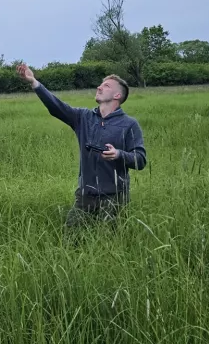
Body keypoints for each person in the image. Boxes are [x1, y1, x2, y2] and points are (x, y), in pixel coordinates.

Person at [16, 63, 147, 227]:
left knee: (110, 243)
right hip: (85, 196)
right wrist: (34, 82)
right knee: (71, 240)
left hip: (115, 197)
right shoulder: (83, 117)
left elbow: (140, 160)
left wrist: (119, 154)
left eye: (106, 86)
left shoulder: (129, 124)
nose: (99, 87)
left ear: (117, 95)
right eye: (100, 84)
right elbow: (57, 107)